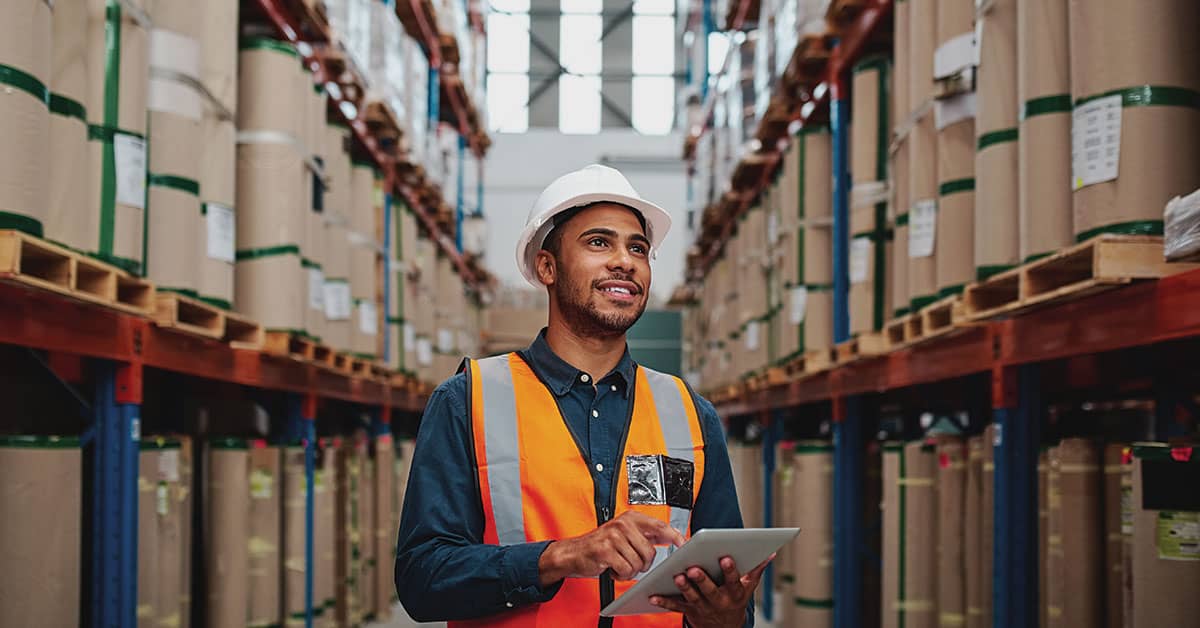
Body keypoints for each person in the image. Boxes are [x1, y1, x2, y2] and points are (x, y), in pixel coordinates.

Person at [394, 165, 766, 627]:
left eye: (638, 248)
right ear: (547, 267)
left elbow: (729, 597)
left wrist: (726, 614)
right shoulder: (468, 401)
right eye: (598, 243)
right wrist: (560, 557)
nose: (625, 261)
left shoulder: (690, 413)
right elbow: (421, 580)